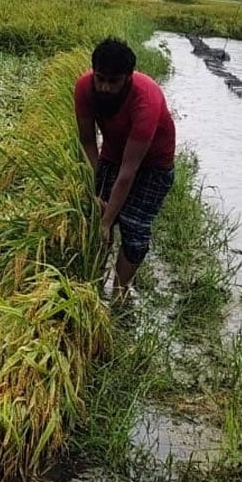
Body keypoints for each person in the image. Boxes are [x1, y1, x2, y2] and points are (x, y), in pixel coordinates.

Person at [73, 38, 177, 296]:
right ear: (93, 72)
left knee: (133, 226)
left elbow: (129, 171)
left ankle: (120, 291)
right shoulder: (85, 88)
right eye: (100, 79)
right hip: (112, 154)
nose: (105, 87)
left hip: (153, 165)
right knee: (97, 213)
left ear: (128, 78)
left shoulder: (146, 99)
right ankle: (93, 285)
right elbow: (87, 141)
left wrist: (108, 221)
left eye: (114, 81)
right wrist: (95, 188)